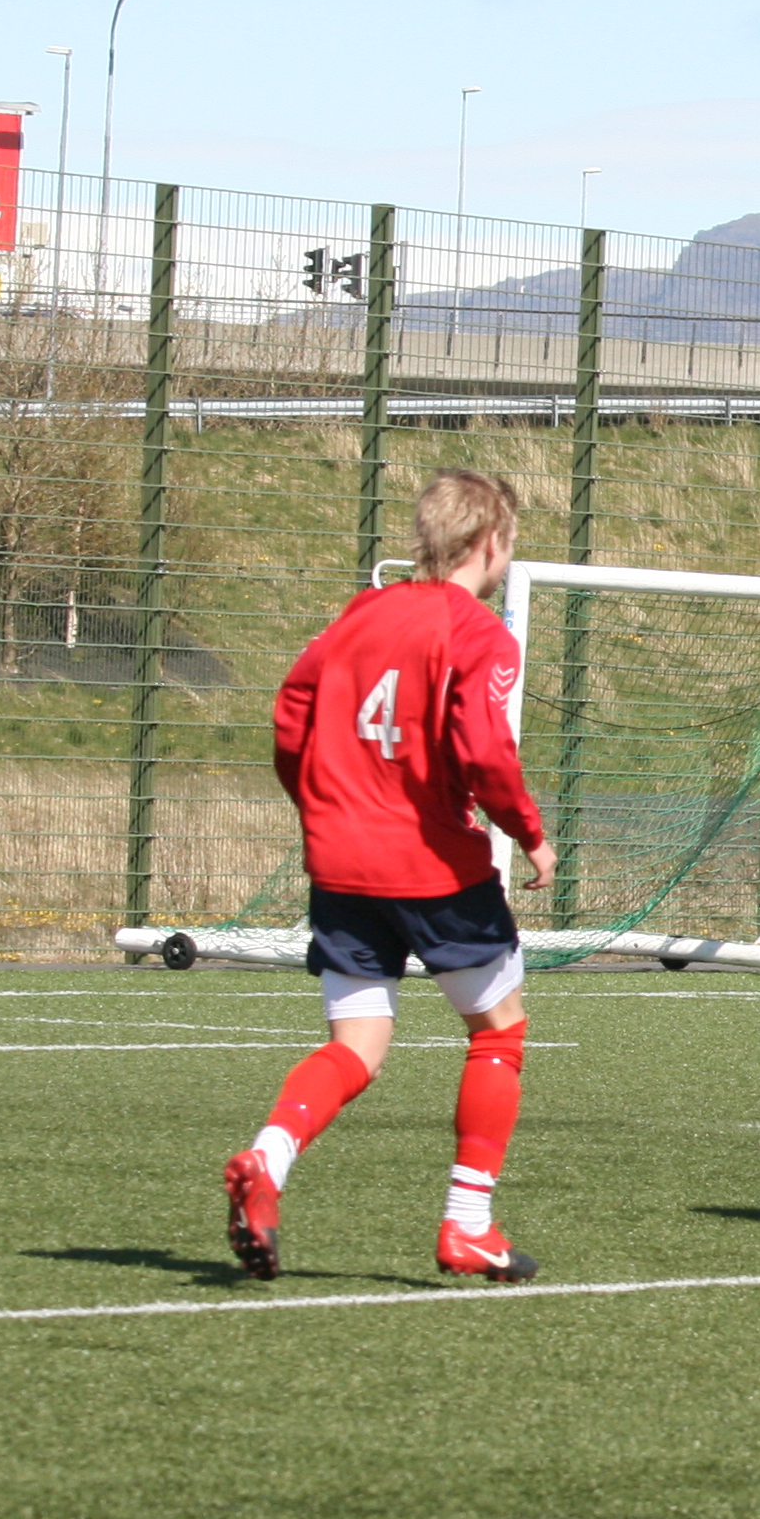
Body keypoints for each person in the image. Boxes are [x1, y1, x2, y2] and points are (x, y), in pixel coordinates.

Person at [222, 469, 558, 1284]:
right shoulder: (479, 634)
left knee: (357, 1045)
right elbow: (484, 751)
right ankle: (468, 1225)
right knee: (498, 1031)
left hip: (340, 865)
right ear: (492, 543)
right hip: (432, 866)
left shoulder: (357, 615)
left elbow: (291, 716)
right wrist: (530, 834)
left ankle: (268, 1158)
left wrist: (324, 807)